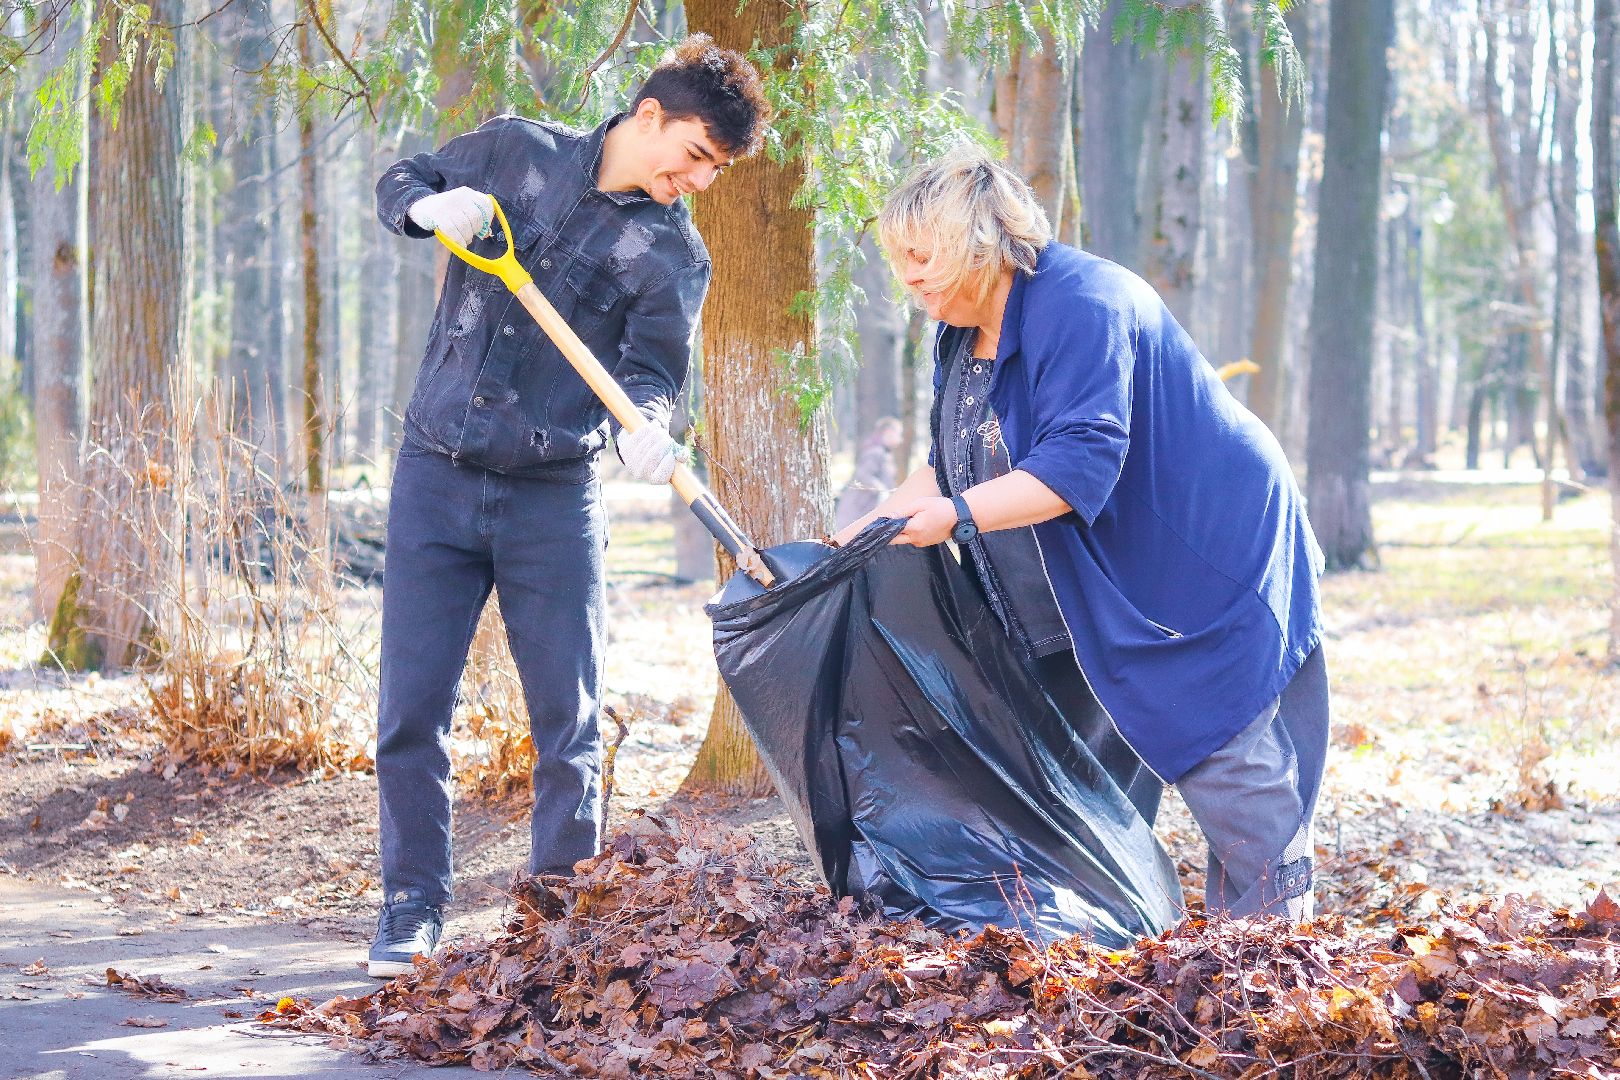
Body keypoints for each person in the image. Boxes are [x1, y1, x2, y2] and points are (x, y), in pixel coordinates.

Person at [837, 145, 1329, 922]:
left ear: (978, 240)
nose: (911, 280)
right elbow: (954, 461)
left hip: (1199, 544)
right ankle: (1112, 930)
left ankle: (1275, 948)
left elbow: (1076, 462)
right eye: (901, 263)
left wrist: (955, 519)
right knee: (1085, 744)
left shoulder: (1083, 302)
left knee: (1213, 732)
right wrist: (875, 523)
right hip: (1097, 567)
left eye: (923, 258)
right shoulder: (959, 334)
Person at [367, 37, 768, 976]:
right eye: (699, 155)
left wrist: (650, 427)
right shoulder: (519, 155)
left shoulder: (674, 255)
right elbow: (404, 176)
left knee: (569, 720)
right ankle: (409, 910)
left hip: (554, 496)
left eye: (716, 170)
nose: (700, 181)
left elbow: (652, 378)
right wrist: (429, 206)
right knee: (411, 710)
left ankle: (556, 927)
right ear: (652, 116)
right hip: (436, 471)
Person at [834, 417, 903, 531]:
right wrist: (882, 490)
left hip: (866, 509)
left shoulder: (883, 453)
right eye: (898, 434)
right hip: (858, 509)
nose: (901, 439)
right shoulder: (875, 452)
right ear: (888, 432)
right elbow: (864, 475)